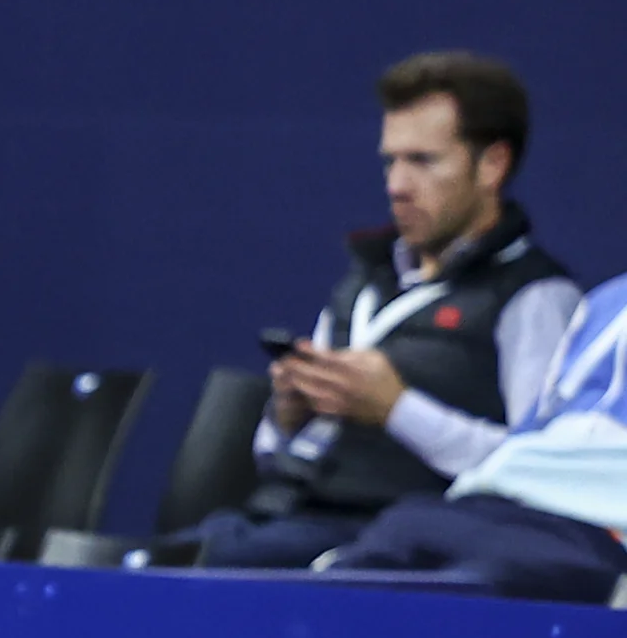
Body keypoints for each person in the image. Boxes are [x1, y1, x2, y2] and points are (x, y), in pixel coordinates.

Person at [199, 52, 578, 568]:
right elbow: (282, 459)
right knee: (170, 557)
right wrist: (289, 417)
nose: (396, 186)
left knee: (214, 571)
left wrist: (397, 409)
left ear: (492, 164)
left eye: (422, 161)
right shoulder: (364, 284)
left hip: (399, 547)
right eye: (390, 161)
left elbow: (538, 470)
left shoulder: (534, 297)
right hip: (288, 518)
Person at [325, 272, 627, 600]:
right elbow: (530, 433)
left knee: (464, 595)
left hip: (593, 532)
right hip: (491, 504)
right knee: (366, 561)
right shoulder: (607, 300)